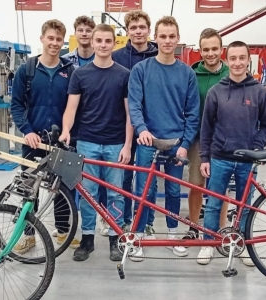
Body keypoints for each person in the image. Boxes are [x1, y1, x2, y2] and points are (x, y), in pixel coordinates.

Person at [128, 16, 200, 261]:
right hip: (148, 142)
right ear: (155, 38)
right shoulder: (141, 70)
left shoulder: (187, 73)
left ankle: (171, 235)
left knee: (172, 191)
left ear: (178, 39)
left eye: (172, 36)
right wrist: (142, 129)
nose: (167, 40)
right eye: (163, 36)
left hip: (175, 144)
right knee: (143, 191)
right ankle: (138, 237)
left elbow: (192, 114)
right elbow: (134, 105)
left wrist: (185, 145)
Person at [60, 24, 132, 262]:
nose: (102, 45)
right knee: (88, 194)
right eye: (98, 40)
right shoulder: (80, 74)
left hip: (115, 144)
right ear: (92, 42)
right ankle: (87, 239)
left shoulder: (124, 74)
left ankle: (115, 239)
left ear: (114, 44)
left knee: (115, 195)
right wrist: (66, 130)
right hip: (87, 143)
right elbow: (71, 107)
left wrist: (127, 145)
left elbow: (129, 113)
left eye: (107, 41)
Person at [196, 41, 266, 267]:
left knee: (245, 205)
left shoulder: (259, 91)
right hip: (220, 158)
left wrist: (255, 147)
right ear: (226, 60)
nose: (237, 62)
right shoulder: (216, 91)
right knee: (213, 205)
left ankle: (243, 245)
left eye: (242, 58)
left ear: (248, 60)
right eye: (233, 58)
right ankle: (208, 244)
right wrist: (204, 157)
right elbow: (206, 128)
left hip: (247, 160)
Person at [11, 19, 80, 254]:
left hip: (61, 141)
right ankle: (28, 236)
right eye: (50, 38)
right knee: (29, 189)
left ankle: (63, 232)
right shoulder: (27, 70)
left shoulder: (70, 71)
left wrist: (69, 133)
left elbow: (76, 107)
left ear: (63, 42)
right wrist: (27, 131)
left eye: (59, 39)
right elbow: (17, 105)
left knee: (63, 189)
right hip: (34, 140)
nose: (54, 43)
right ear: (42, 38)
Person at [111, 9, 158, 237]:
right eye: (133, 28)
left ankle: (146, 221)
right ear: (127, 31)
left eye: (142, 27)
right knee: (125, 176)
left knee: (149, 179)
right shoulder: (118, 56)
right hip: (125, 125)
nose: (138, 31)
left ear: (149, 30)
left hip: (153, 127)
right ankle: (127, 220)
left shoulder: (159, 55)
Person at [184, 28, 230, 241]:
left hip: (224, 140)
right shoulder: (192, 75)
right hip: (198, 139)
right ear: (200, 51)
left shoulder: (231, 75)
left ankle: (221, 229)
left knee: (220, 187)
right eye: (206, 49)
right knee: (196, 184)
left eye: (214, 49)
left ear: (221, 49)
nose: (210, 53)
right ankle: (194, 227)